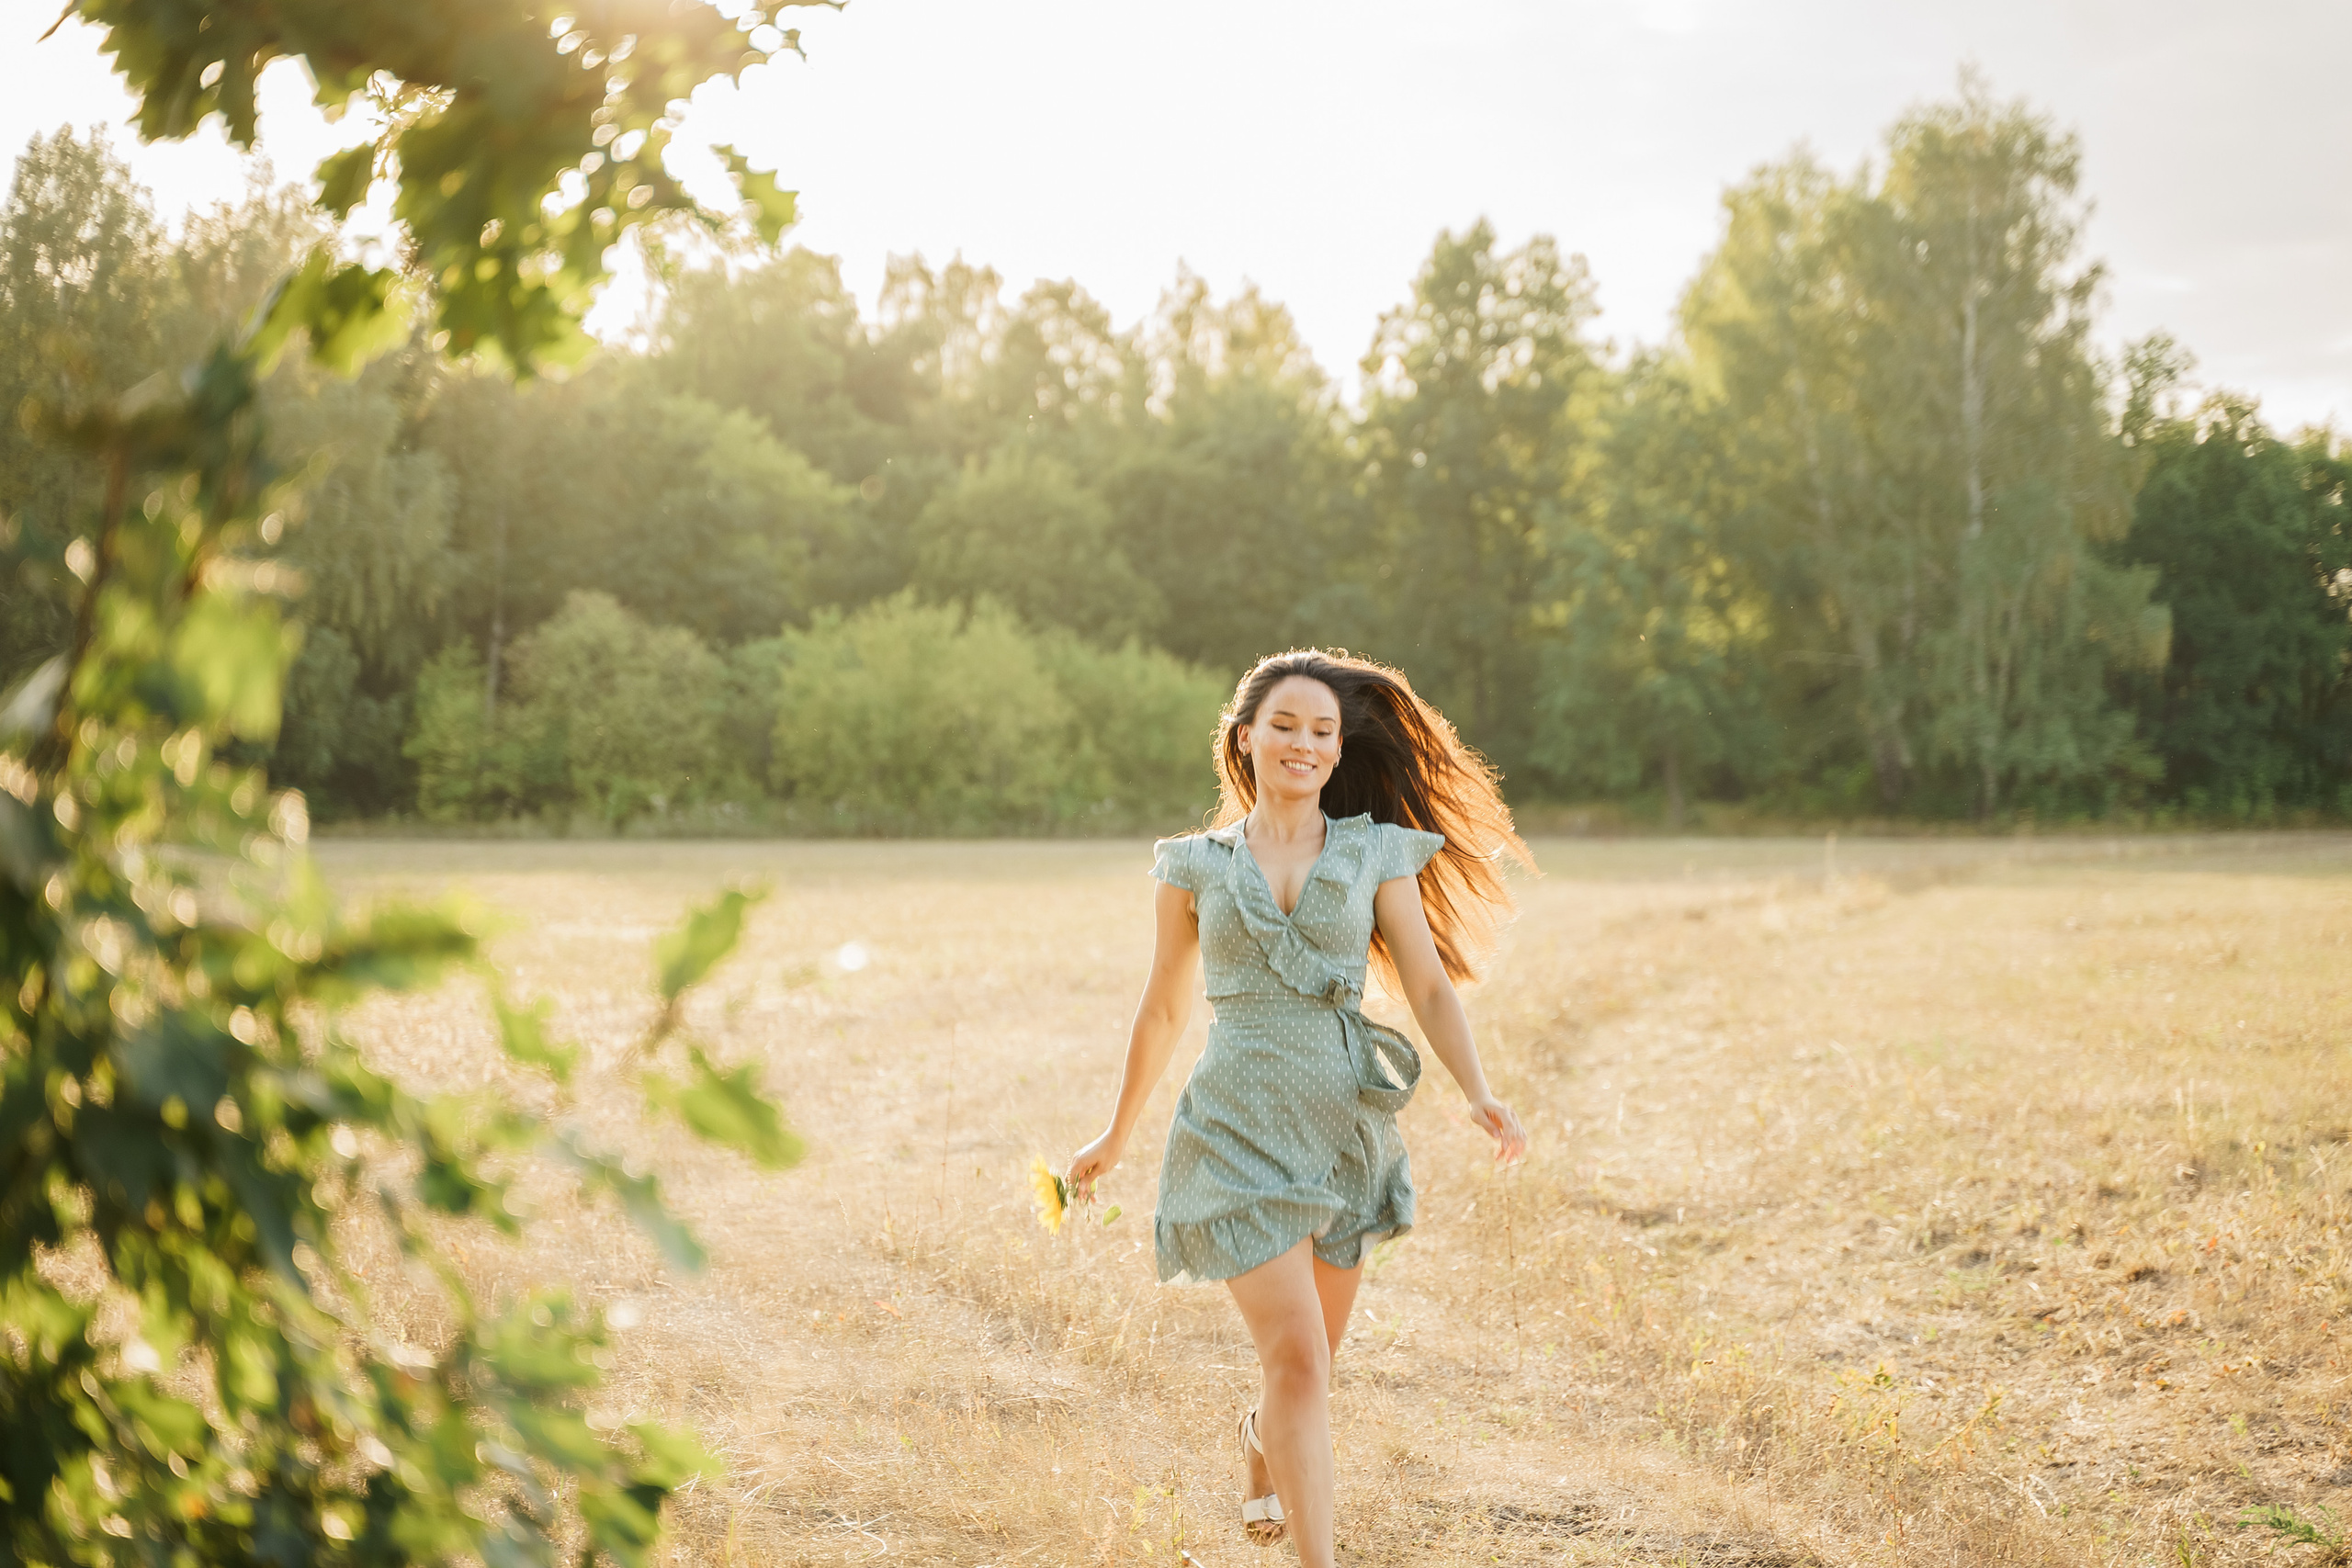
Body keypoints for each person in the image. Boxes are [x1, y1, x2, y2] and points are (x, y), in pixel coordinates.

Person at [1065, 649, 1532, 1564]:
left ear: (1338, 749)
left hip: (1342, 1130)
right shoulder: (1194, 866)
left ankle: (1260, 1437)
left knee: (1308, 1370)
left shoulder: (1373, 852)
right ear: (1244, 738)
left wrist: (1479, 1090)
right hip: (1233, 1127)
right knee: (1300, 1359)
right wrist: (1116, 1133)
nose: (1304, 743)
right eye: (1284, 725)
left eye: (1322, 730)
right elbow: (1162, 1007)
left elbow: (1428, 987)